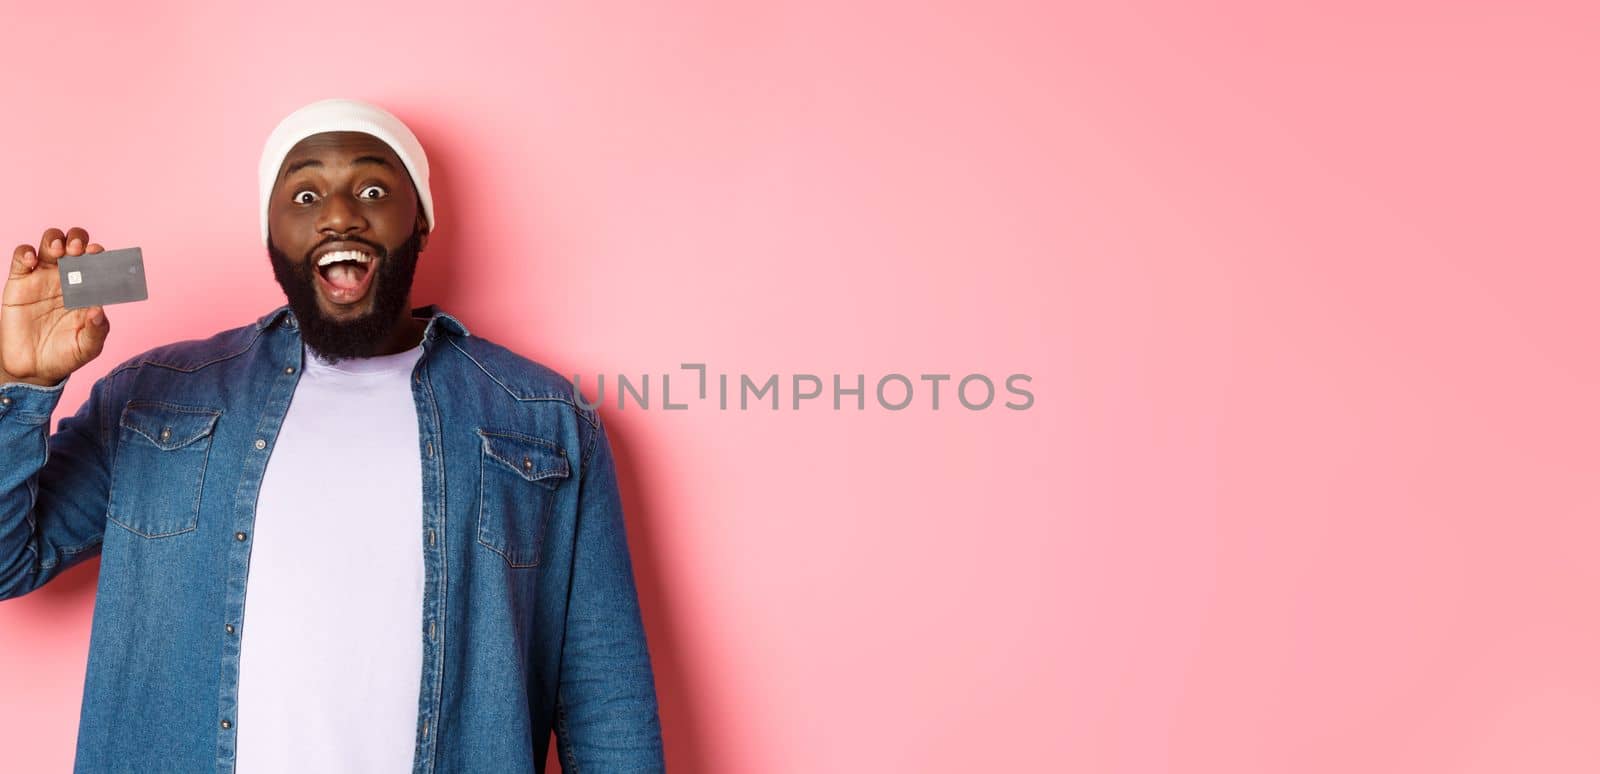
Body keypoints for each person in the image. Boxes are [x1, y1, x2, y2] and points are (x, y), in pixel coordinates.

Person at [0, 98, 665, 773]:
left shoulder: (540, 416)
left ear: (422, 223)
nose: (340, 213)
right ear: (271, 232)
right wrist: (19, 385)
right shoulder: (157, 398)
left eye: (373, 189)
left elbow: (605, 700)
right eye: (306, 192)